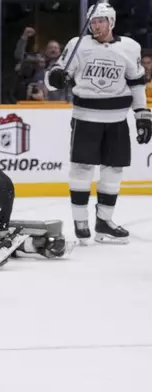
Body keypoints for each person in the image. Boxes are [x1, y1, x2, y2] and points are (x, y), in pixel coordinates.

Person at [45, 2, 151, 245]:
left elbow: (136, 83)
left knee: (113, 171)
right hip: (86, 118)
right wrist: (56, 77)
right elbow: (54, 78)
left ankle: (104, 222)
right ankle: (80, 221)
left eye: (101, 20)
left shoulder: (130, 47)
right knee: (82, 169)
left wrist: (142, 115)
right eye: (92, 21)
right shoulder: (77, 44)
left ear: (111, 22)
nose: (95, 25)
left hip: (117, 120)